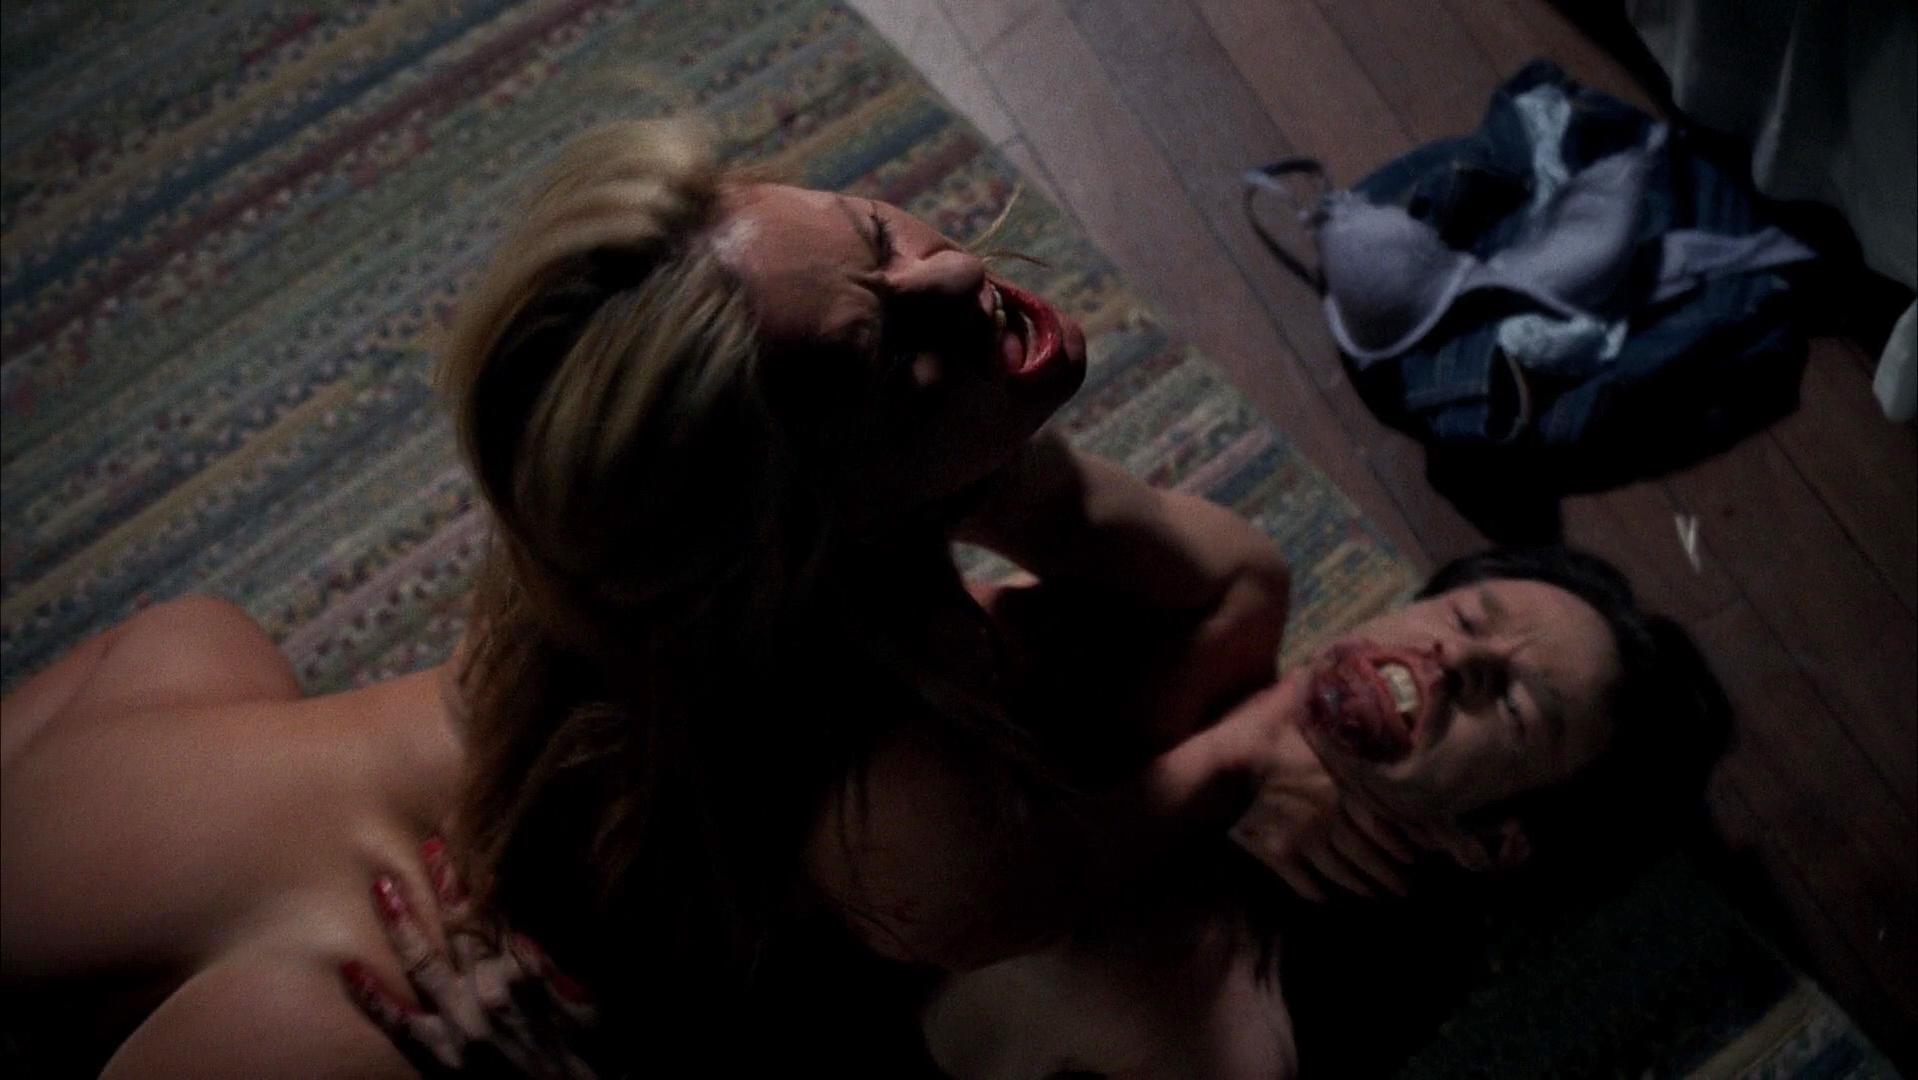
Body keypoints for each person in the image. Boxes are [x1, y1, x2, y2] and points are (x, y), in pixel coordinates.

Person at [0, 118, 1293, 1076]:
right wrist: (1258, 746)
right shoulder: (908, 816)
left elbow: (1220, 583)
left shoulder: (630, 546)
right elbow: (1229, 627)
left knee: (193, 636)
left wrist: (985, 472)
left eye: (871, 232)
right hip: (291, 1011)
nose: (953, 276)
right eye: (881, 358)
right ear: (785, 532)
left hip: (109, 798)